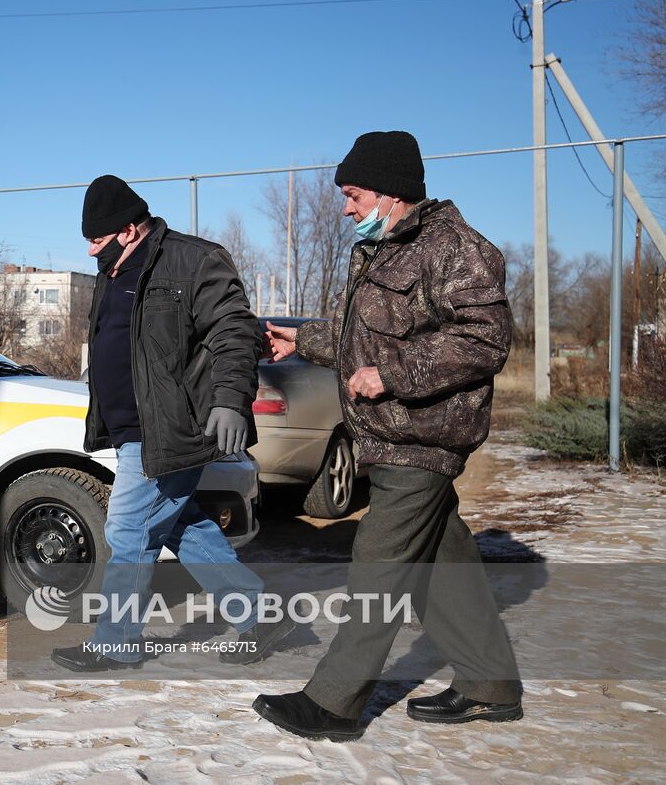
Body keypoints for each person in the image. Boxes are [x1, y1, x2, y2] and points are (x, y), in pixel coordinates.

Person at [254, 130, 522, 740]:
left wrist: (394, 375)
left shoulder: (456, 249)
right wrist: (307, 341)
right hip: (392, 436)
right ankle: (490, 685)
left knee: (378, 564)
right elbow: (368, 337)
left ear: (391, 194)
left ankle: (333, 702)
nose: (346, 207)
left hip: (423, 435)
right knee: (439, 565)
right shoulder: (387, 249)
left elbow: (485, 341)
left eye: (352, 194)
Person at [50, 175, 295, 672]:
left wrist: (230, 400)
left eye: (97, 240)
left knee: (128, 529)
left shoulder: (193, 260)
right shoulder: (114, 272)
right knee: (182, 525)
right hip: (130, 430)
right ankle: (260, 613)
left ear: (130, 229)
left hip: (169, 428)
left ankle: (116, 641)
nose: (91, 252)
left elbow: (234, 331)